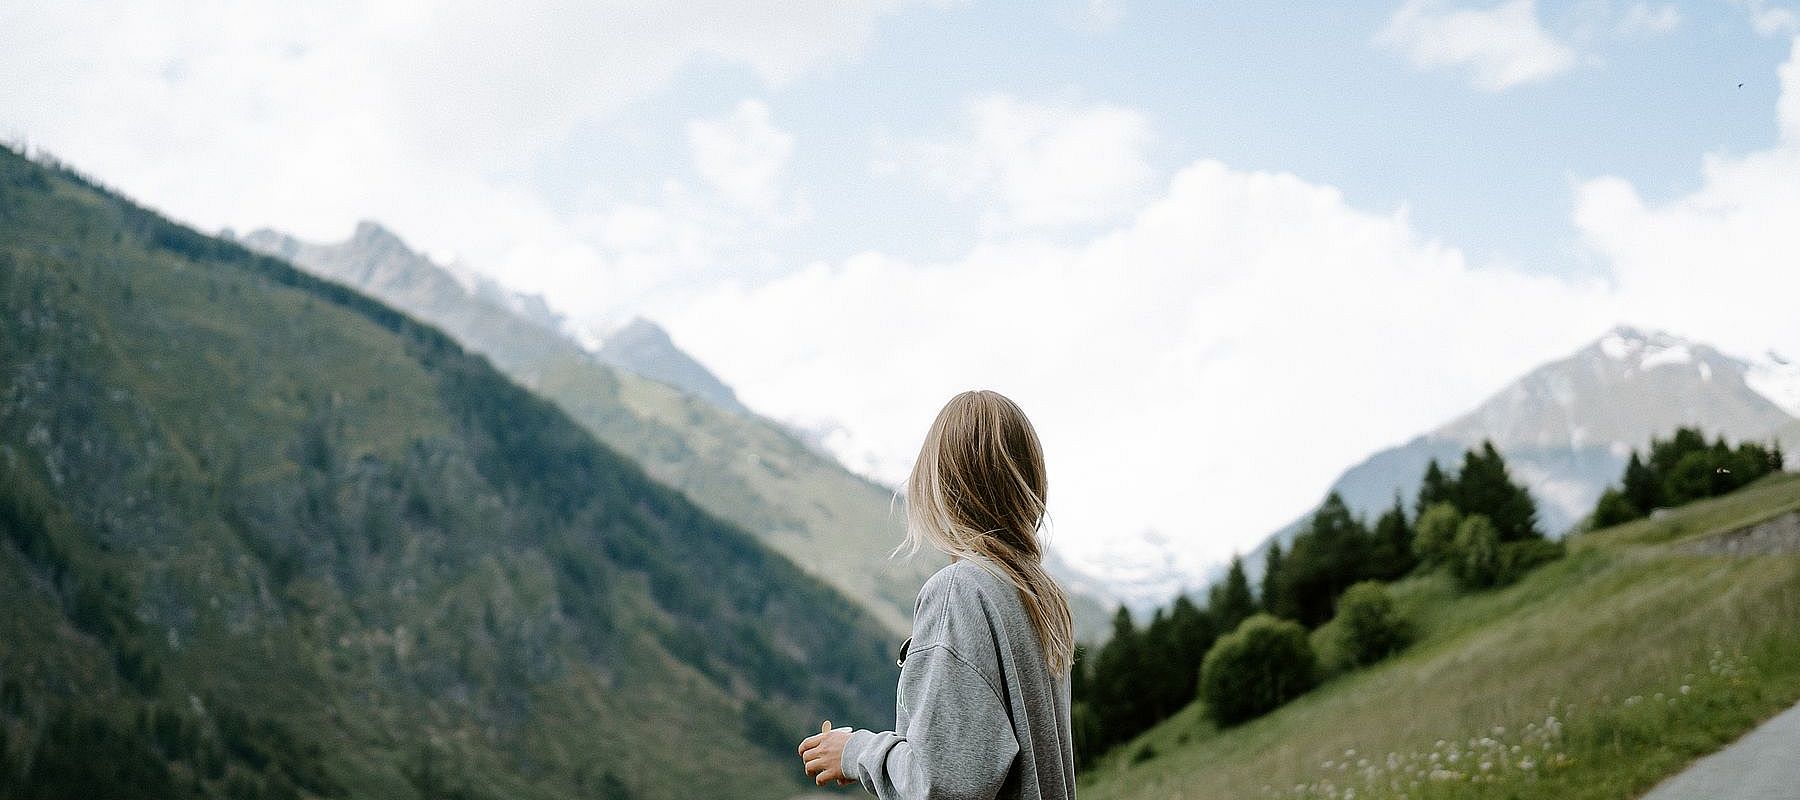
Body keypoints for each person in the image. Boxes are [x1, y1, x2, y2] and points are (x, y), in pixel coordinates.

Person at [798, 390, 1077, 799]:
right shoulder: (1038, 596)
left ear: (941, 488)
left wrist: (855, 751)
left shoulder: (960, 591)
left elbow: (944, 782)